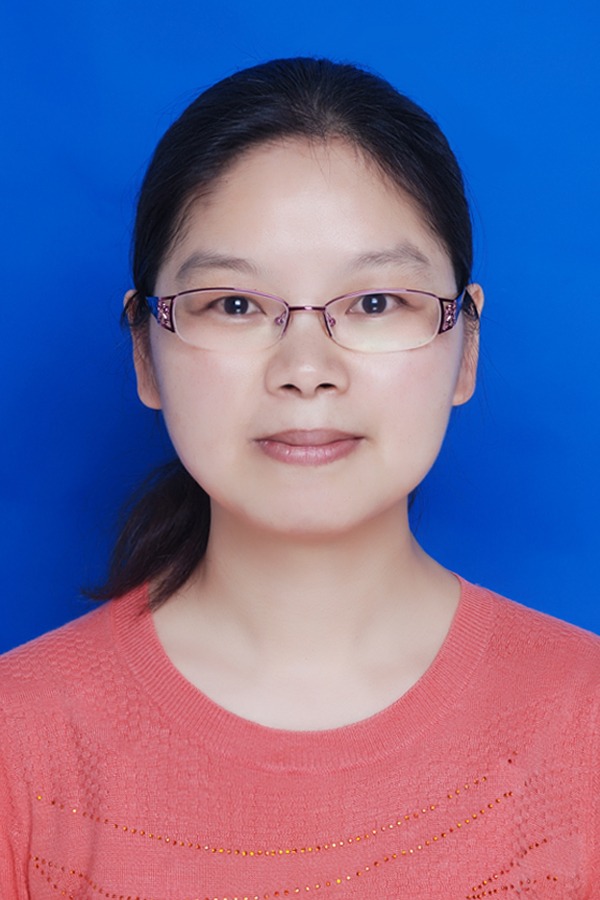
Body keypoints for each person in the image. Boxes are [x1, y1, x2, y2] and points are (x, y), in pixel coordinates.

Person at [0, 57, 598, 899]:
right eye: (235, 305)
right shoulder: (19, 742)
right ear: (145, 351)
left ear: (466, 345)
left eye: (376, 303)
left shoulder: (584, 720)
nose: (307, 370)